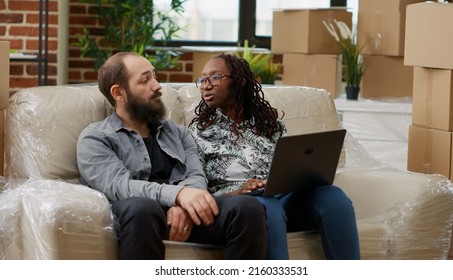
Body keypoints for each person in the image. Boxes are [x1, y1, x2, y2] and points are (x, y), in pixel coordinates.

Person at [76, 52, 267, 260]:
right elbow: (121, 186)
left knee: (247, 207)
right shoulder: (95, 138)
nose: (157, 86)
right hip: (139, 219)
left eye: (154, 76)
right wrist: (177, 195)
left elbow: (196, 174)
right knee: (142, 208)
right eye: (145, 80)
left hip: (187, 215)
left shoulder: (178, 132)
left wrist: (184, 205)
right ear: (119, 93)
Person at [189, 53, 361, 260]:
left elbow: (287, 166)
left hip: (279, 197)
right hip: (237, 205)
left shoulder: (271, 126)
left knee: (333, 197)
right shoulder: (197, 134)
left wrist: (301, 178)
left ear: (240, 81)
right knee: (266, 205)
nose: (205, 85)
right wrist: (240, 191)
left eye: (215, 77)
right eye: (202, 79)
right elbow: (196, 192)